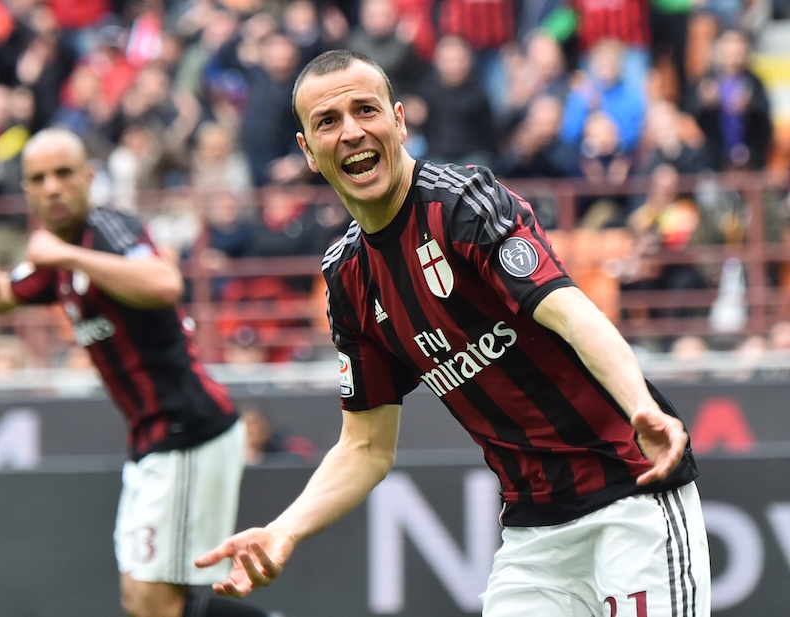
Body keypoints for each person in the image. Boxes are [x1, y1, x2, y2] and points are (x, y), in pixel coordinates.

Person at [194, 50, 710, 616]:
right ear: (307, 152)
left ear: (399, 120)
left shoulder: (461, 201)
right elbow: (365, 446)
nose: (351, 132)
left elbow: (568, 308)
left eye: (365, 110)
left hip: (631, 495)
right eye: (327, 121)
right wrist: (285, 530)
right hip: (535, 535)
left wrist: (641, 404)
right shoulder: (347, 277)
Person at [0, 128, 270, 617]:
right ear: (26, 190)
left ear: (89, 178)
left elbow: (164, 282)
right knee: (148, 600)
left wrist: (69, 257)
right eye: (39, 178)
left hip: (189, 428)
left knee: (156, 602)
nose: (52, 187)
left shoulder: (107, 229)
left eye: (64, 173)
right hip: (154, 438)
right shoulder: (58, 253)